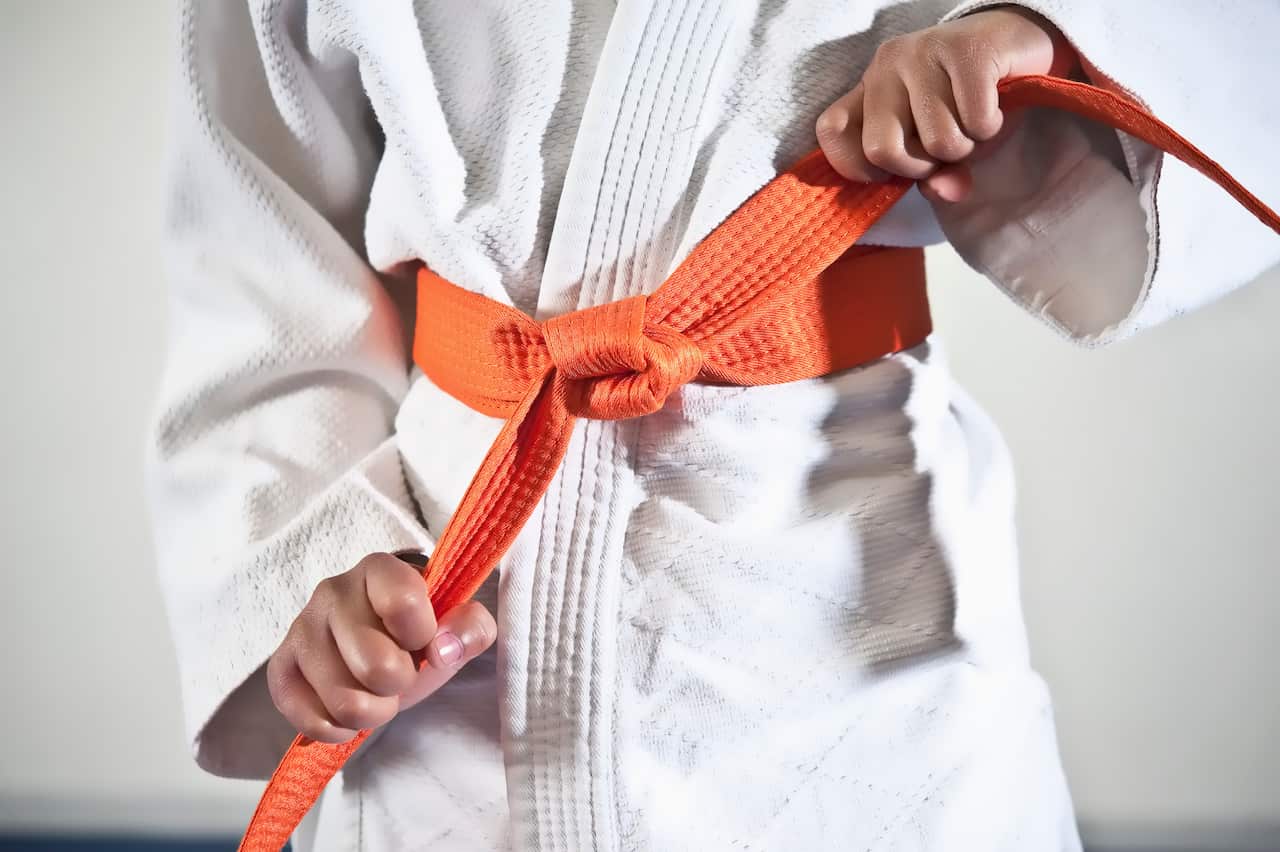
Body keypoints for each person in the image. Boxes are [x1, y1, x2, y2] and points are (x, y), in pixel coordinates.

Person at [143, 1, 1280, 850]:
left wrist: (1038, 40)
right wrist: (318, 562)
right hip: (444, 587)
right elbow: (259, 251)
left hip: (836, 583)